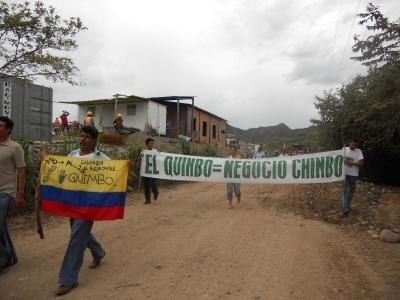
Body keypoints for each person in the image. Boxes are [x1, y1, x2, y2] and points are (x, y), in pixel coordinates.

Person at [55, 125, 110, 296]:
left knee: (76, 238)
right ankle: (98, 252)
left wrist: (125, 167)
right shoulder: (72, 155)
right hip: (72, 201)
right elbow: (62, 173)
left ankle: (67, 279)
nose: (82, 139)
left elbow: (113, 174)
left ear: (94, 140)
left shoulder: (102, 158)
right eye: (81, 136)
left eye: (86, 137)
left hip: (89, 203)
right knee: (78, 232)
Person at [0, 116, 25, 268]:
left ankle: (3, 260)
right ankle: (11, 256)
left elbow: (21, 171)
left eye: (0, 126)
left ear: (8, 130)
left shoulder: (15, 147)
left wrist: (20, 194)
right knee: (1, 226)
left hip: (6, 193)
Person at [341, 139, 364, 217]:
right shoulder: (344, 149)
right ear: (349, 143)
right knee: (345, 191)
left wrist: (351, 163)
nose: (353, 146)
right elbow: (338, 158)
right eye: (352, 144)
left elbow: (361, 164)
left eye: (354, 145)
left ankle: (347, 205)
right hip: (344, 174)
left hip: (354, 174)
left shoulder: (359, 151)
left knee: (351, 191)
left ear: (356, 145)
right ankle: (345, 210)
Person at [141, 138, 159, 204]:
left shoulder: (155, 151)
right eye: (151, 143)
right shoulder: (143, 152)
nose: (152, 145)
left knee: (152, 184)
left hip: (152, 172)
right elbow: (140, 161)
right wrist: (141, 156)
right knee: (146, 186)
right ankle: (147, 200)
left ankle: (156, 192)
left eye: (153, 143)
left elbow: (160, 158)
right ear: (147, 144)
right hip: (145, 171)